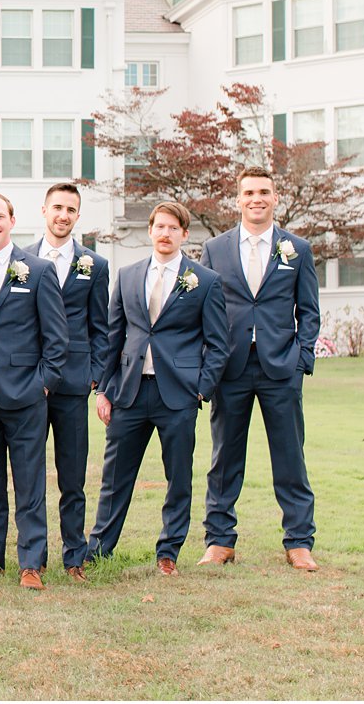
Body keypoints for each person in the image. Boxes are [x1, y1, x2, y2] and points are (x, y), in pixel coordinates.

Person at [87, 201, 228, 573]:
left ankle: (168, 552)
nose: (165, 234)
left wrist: (201, 389)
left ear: (184, 234)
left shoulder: (205, 281)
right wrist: (103, 388)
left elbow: (218, 343)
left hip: (178, 394)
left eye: (172, 228)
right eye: (159, 227)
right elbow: (113, 335)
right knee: (115, 476)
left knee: (178, 476)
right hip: (129, 391)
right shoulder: (128, 275)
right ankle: (99, 549)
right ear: (150, 231)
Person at [199, 167, 321, 571]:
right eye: (249, 192)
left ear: (275, 197)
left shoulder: (297, 249)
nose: (257, 198)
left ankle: (299, 542)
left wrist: (301, 360)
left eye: (264, 192)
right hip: (230, 368)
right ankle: (219, 541)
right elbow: (205, 310)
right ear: (237, 199)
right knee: (224, 457)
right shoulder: (215, 249)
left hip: (280, 368)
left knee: (290, 457)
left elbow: (310, 312)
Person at [0, 191, 66, 590]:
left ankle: (31, 562)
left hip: (25, 394)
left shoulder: (38, 270)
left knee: (29, 481)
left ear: (11, 219)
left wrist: (43, 384)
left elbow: (57, 338)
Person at [31, 182, 110, 581]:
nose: (63, 215)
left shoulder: (94, 265)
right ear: (44, 211)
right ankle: (34, 556)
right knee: (29, 475)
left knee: (72, 475)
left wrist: (95, 376)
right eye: (57, 207)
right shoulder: (22, 259)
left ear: (77, 216)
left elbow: (101, 326)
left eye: (71, 210)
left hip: (75, 383)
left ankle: (74, 556)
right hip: (30, 382)